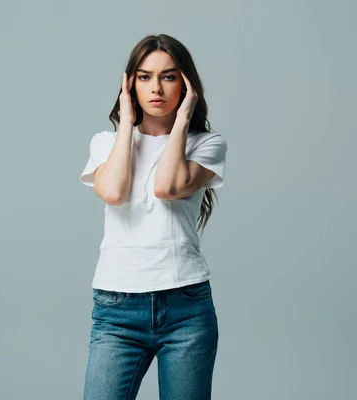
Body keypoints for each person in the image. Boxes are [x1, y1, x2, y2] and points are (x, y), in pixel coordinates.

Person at [79, 34, 228, 400]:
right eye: (144, 77)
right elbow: (114, 192)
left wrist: (183, 120)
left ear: (186, 84)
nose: (156, 87)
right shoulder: (105, 143)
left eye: (168, 76)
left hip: (186, 309)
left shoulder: (207, 144)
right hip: (117, 311)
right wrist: (127, 123)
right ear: (130, 85)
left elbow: (168, 186)